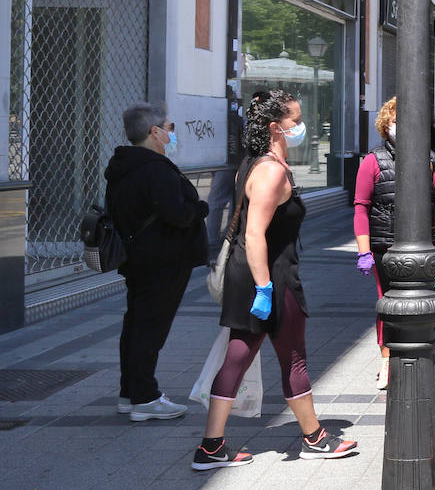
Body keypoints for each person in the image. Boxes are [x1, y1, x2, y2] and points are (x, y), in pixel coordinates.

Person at [192, 90, 357, 470]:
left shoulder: (253, 164)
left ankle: (211, 446)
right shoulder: (270, 171)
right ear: (274, 127)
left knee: (237, 355)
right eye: (295, 120)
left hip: (248, 273)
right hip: (269, 277)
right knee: (293, 357)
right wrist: (265, 287)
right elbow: (254, 234)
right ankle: (314, 438)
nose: (301, 127)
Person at [104, 103, 208, 422]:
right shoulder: (156, 168)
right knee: (150, 329)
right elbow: (177, 213)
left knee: (136, 324)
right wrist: (200, 209)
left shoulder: (123, 165)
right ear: (155, 132)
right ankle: (145, 398)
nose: (172, 132)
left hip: (138, 258)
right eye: (169, 126)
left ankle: (130, 393)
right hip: (163, 260)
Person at [353, 97, 435, 389]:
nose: (402, 127)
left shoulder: (429, 160)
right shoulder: (373, 161)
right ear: (386, 125)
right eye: (395, 121)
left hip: (425, 246)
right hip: (384, 246)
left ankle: (423, 354)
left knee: (424, 300)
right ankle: (387, 358)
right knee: (388, 304)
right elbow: (361, 206)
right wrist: (364, 251)